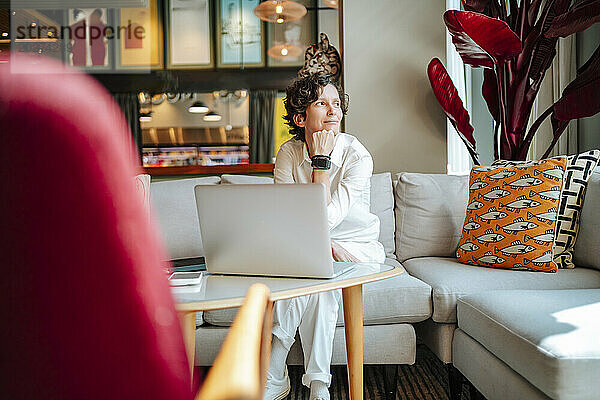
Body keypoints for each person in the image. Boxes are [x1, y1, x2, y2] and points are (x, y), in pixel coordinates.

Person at [266, 73, 385, 400]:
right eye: (322, 103)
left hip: (357, 250)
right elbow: (288, 218)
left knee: (317, 267)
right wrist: (320, 243)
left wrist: (321, 162)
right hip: (316, 249)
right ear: (300, 117)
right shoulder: (288, 154)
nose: (333, 111)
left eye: (337, 104)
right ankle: (318, 388)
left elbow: (325, 218)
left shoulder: (356, 155)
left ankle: (277, 370)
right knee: (319, 272)